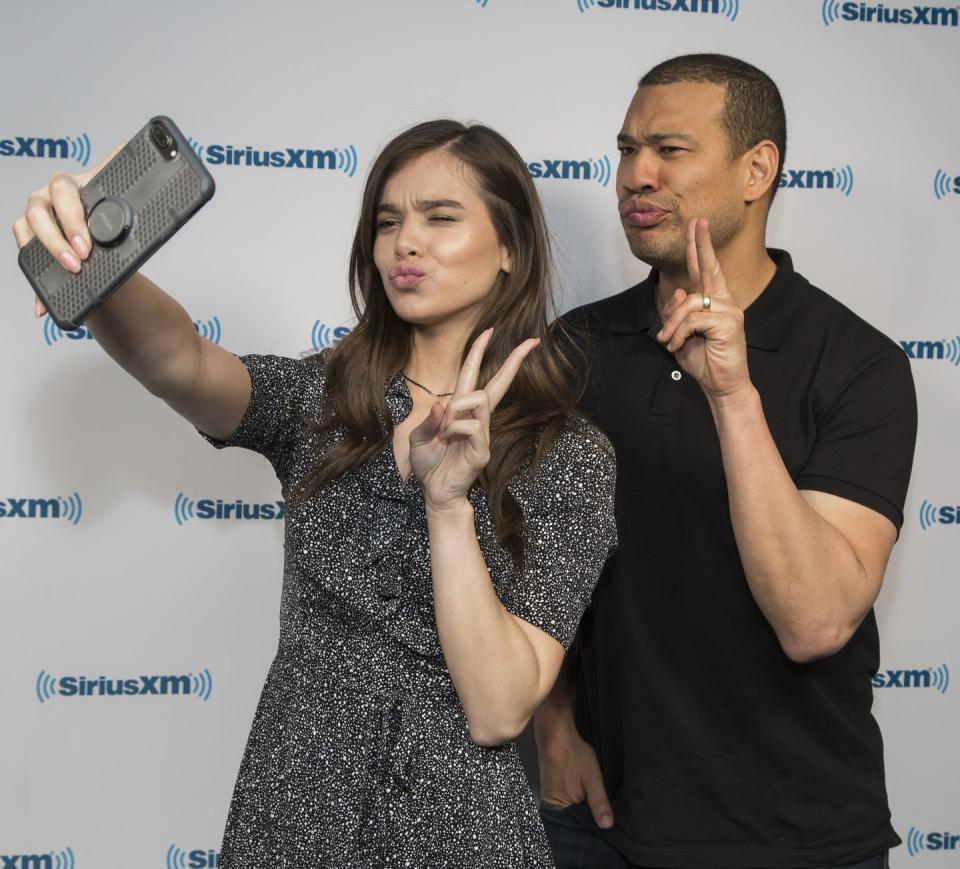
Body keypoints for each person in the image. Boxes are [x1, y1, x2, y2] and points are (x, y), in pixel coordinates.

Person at [13, 119, 617, 867]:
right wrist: (97, 257)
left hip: (459, 832)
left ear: (510, 250)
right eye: (388, 221)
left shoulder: (569, 453)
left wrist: (448, 503)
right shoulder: (316, 402)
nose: (405, 242)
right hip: (293, 817)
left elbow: (498, 709)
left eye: (440, 217)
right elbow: (178, 358)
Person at [535, 54, 916, 869]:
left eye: (669, 150)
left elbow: (815, 621)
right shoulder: (574, 348)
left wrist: (735, 398)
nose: (636, 175)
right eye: (627, 149)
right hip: (601, 828)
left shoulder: (859, 363)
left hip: (800, 839)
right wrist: (555, 721)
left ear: (757, 168)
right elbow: (535, 568)